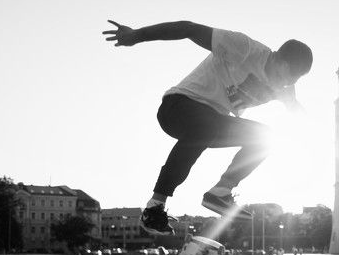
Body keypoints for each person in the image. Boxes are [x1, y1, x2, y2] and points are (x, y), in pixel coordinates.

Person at [103, 20, 313, 235]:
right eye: (280, 75)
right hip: (177, 107)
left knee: (265, 138)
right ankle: (155, 207)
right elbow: (188, 28)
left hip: (212, 122)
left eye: (288, 81)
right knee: (206, 126)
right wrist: (136, 35)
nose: (280, 83)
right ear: (276, 56)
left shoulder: (285, 88)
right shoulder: (244, 48)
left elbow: (300, 118)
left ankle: (221, 191)